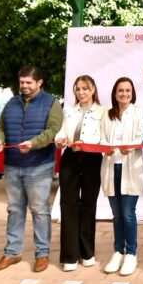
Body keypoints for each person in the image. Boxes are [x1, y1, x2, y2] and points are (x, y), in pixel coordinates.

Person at [0, 66, 62, 273]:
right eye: (22, 82)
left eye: (29, 82)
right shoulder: (12, 102)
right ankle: (12, 253)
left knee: (39, 210)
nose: (24, 86)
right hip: (12, 165)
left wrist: (34, 143)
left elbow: (54, 130)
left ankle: (42, 253)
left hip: (39, 166)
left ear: (40, 83)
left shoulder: (52, 103)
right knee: (14, 210)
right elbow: (1, 127)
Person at [54, 75, 105, 272]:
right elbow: (61, 133)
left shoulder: (103, 112)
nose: (81, 92)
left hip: (92, 159)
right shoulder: (68, 111)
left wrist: (91, 144)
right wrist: (60, 140)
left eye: (85, 88)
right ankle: (69, 255)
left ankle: (87, 252)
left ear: (93, 90)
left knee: (89, 204)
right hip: (70, 158)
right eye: (78, 89)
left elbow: (104, 137)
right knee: (68, 204)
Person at [100, 77, 143, 276]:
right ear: (115, 93)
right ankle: (118, 251)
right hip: (112, 167)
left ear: (132, 93)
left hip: (131, 168)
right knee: (116, 215)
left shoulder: (138, 112)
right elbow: (102, 137)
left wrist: (131, 146)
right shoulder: (107, 114)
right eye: (120, 91)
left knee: (128, 214)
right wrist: (105, 149)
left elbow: (139, 136)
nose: (124, 94)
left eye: (128, 91)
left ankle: (131, 254)